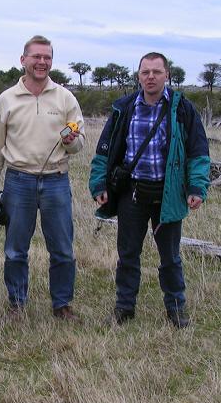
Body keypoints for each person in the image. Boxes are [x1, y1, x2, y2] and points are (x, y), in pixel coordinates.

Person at [89, 52, 210, 328]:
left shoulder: (182, 109)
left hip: (168, 195)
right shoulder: (124, 108)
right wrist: (98, 184)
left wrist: (196, 187)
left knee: (170, 257)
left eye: (157, 72)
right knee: (128, 254)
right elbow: (103, 152)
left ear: (167, 74)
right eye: (145, 72)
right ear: (139, 75)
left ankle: (176, 309)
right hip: (132, 194)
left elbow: (198, 152)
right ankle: (124, 308)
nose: (151, 77)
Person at [0, 35, 84, 320]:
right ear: (23, 60)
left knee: (62, 248)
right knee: (15, 249)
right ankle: (17, 304)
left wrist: (72, 140)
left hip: (56, 180)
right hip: (19, 181)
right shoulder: (7, 100)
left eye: (47, 57)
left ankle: (62, 305)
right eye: (36, 56)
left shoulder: (65, 97)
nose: (42, 62)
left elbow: (78, 143)